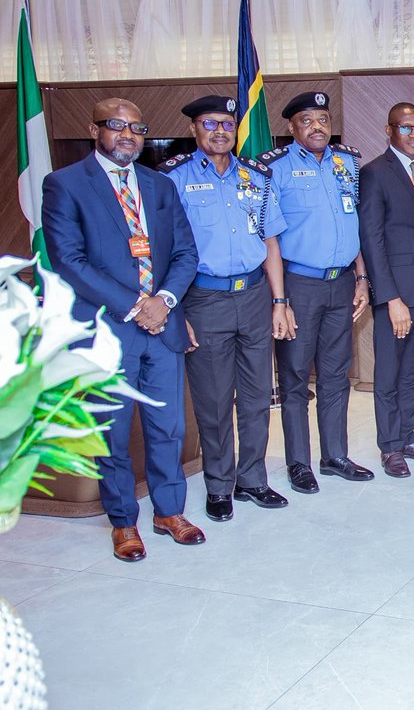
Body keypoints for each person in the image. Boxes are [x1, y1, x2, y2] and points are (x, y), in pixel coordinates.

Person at [41, 98, 203, 562]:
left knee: (167, 426)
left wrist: (165, 301)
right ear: (96, 130)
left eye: (137, 127)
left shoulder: (159, 185)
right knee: (112, 432)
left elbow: (186, 253)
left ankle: (169, 511)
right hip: (109, 329)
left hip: (163, 326)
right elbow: (69, 261)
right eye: (117, 126)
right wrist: (137, 306)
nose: (128, 135)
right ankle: (124, 522)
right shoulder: (66, 184)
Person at [160, 94, 293, 522]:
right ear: (194, 130)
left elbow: (271, 242)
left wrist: (279, 301)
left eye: (226, 124)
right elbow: (165, 252)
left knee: (256, 396)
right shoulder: (173, 179)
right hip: (204, 298)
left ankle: (252, 479)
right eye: (210, 124)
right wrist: (176, 310)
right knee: (214, 400)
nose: (220, 131)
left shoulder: (257, 176)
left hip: (254, 295)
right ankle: (219, 485)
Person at [260, 91, 373, 494]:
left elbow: (353, 223)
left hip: (342, 282)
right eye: (306, 120)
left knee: (335, 375)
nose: (317, 127)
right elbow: (269, 236)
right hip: (299, 285)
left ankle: (334, 456)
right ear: (291, 128)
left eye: (322, 119)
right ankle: (298, 463)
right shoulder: (274, 168)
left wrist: (362, 277)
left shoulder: (347, 163)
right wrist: (280, 299)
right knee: (293, 379)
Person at [358, 102, 414, 478]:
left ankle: (407, 436)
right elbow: (372, 239)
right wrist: (390, 298)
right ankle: (390, 447)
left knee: (413, 372)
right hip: (396, 297)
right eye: (406, 128)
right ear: (389, 130)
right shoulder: (375, 174)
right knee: (389, 375)